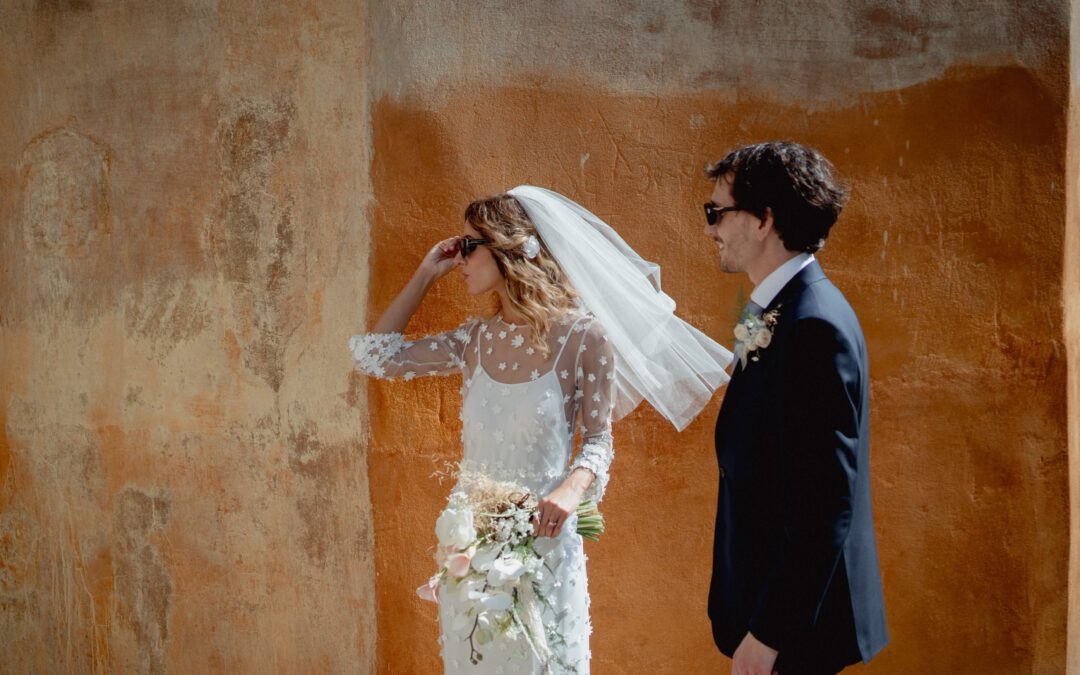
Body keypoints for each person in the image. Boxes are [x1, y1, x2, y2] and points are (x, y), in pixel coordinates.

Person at [350, 186, 731, 673]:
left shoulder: (584, 338)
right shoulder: (474, 341)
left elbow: (597, 439)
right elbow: (373, 356)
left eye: (469, 246)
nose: (459, 257)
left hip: (547, 546)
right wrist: (428, 271)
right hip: (473, 549)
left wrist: (573, 489)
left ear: (510, 248)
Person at [703, 142, 888, 674]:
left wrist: (767, 636)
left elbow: (824, 505)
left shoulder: (812, 326)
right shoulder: (784, 309)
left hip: (792, 636)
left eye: (717, 212)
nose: (710, 228)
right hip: (771, 614)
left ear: (763, 220)